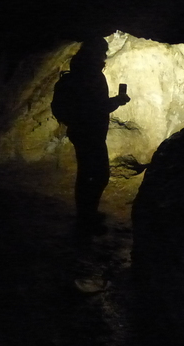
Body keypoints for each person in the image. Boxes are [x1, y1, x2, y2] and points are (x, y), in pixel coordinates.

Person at [58, 37, 130, 234]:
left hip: (81, 130)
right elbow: (96, 107)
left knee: (87, 174)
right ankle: (85, 219)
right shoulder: (91, 74)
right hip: (89, 131)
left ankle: (87, 214)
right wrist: (118, 100)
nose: (104, 55)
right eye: (103, 52)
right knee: (98, 175)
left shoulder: (80, 70)